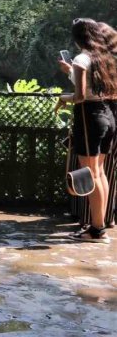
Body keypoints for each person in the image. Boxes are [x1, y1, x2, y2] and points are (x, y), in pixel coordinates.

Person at [55, 18, 117, 243]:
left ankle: (96, 230)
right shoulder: (105, 58)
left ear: (77, 37)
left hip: (90, 118)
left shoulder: (82, 58)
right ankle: (98, 226)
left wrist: (64, 98)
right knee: (99, 172)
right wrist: (70, 71)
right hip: (108, 117)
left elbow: (80, 96)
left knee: (89, 175)